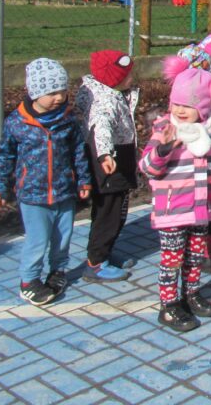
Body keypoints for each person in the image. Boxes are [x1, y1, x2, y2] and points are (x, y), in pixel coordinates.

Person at [140, 65, 211, 332]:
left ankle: (191, 294)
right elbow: (147, 166)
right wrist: (165, 149)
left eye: (189, 105)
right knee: (172, 259)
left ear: (205, 108)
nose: (180, 110)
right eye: (177, 103)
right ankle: (169, 305)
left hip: (201, 208)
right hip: (171, 210)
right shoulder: (165, 128)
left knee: (195, 255)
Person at [0, 58, 92, 305]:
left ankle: (58, 271)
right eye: (51, 92)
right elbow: (4, 156)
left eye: (62, 91)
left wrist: (83, 181)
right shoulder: (17, 122)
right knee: (37, 240)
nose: (58, 97)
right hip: (33, 195)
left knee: (62, 237)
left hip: (63, 192)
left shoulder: (67, 120)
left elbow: (78, 151)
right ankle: (29, 280)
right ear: (34, 92)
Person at [74, 50, 139, 283]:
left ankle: (104, 253)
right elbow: (101, 129)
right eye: (128, 74)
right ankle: (96, 263)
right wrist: (105, 155)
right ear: (114, 78)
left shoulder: (108, 92)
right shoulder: (105, 102)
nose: (133, 77)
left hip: (116, 158)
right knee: (109, 215)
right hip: (111, 164)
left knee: (111, 212)